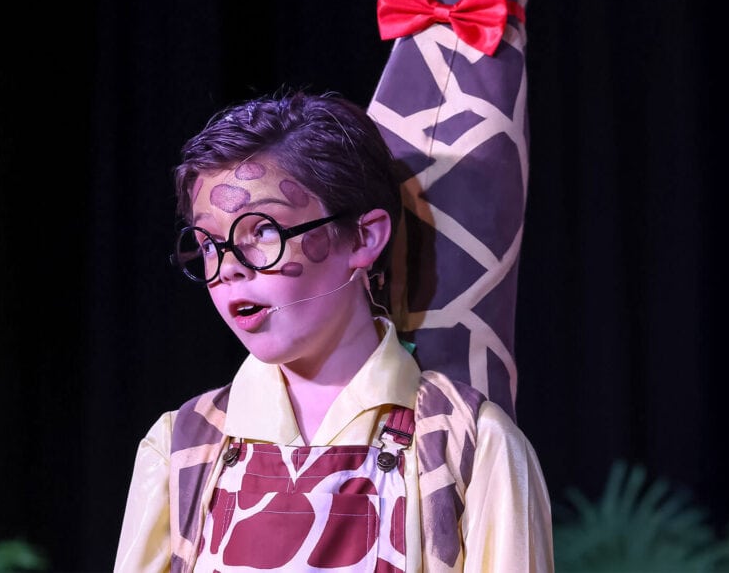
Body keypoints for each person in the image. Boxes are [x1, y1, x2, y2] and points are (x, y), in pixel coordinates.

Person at [114, 92, 552, 572]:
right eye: (210, 244)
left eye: (262, 232)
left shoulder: (466, 445)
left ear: (364, 238)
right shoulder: (182, 448)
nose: (230, 269)